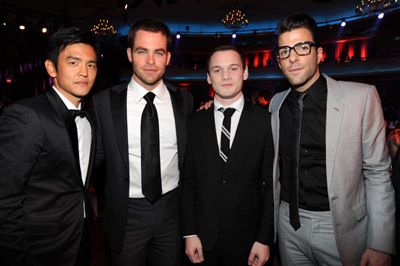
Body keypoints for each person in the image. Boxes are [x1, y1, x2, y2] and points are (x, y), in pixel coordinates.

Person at [269, 13, 395, 265]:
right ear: (279, 61)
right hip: (286, 223)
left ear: (319, 54)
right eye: (284, 51)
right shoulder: (276, 104)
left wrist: (381, 243)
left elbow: (378, 173)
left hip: (340, 227)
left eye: (302, 47)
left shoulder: (361, 98)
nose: (292, 57)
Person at [91, 18, 193, 265]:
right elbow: (94, 158)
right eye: (142, 51)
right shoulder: (103, 102)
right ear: (129, 54)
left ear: (168, 57)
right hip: (126, 214)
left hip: (171, 211)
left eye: (158, 52)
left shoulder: (185, 101)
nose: (150, 61)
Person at [0, 27, 99, 265]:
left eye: (91, 65)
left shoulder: (90, 119)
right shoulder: (26, 115)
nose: (84, 72)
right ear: (51, 68)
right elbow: (5, 201)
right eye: (73, 62)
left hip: (80, 239)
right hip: (39, 250)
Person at [180, 45, 274, 266]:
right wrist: (189, 233)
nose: (225, 77)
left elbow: (271, 184)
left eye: (233, 68)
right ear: (208, 77)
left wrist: (264, 238)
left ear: (245, 72)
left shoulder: (266, 122)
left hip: (249, 240)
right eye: (217, 70)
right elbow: (189, 181)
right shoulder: (194, 123)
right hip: (204, 239)